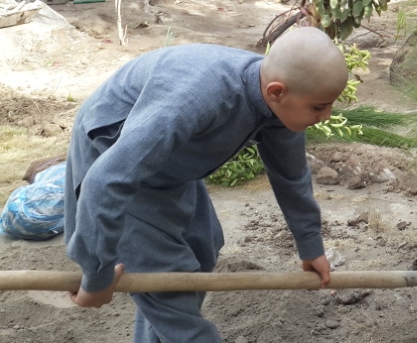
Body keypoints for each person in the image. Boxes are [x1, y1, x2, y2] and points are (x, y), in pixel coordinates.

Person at [63, 27, 348, 343]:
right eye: (319, 106)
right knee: (170, 281)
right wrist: (97, 274)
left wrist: (310, 245)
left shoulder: (277, 101)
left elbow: (291, 176)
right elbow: (107, 180)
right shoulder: (199, 97)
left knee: (202, 248)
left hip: (168, 165)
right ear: (277, 92)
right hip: (114, 157)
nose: (327, 115)